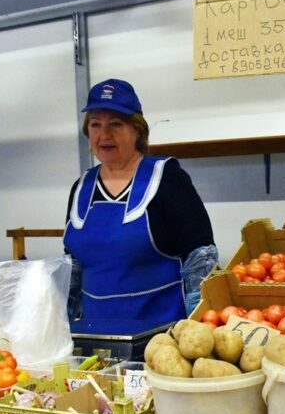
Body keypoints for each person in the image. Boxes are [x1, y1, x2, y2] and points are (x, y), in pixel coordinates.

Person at [63, 78, 217, 323]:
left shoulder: (166, 178)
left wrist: (198, 324)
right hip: (96, 341)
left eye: (115, 124)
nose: (104, 135)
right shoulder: (81, 188)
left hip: (161, 338)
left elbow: (200, 257)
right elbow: (72, 267)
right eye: (95, 125)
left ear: (137, 130)